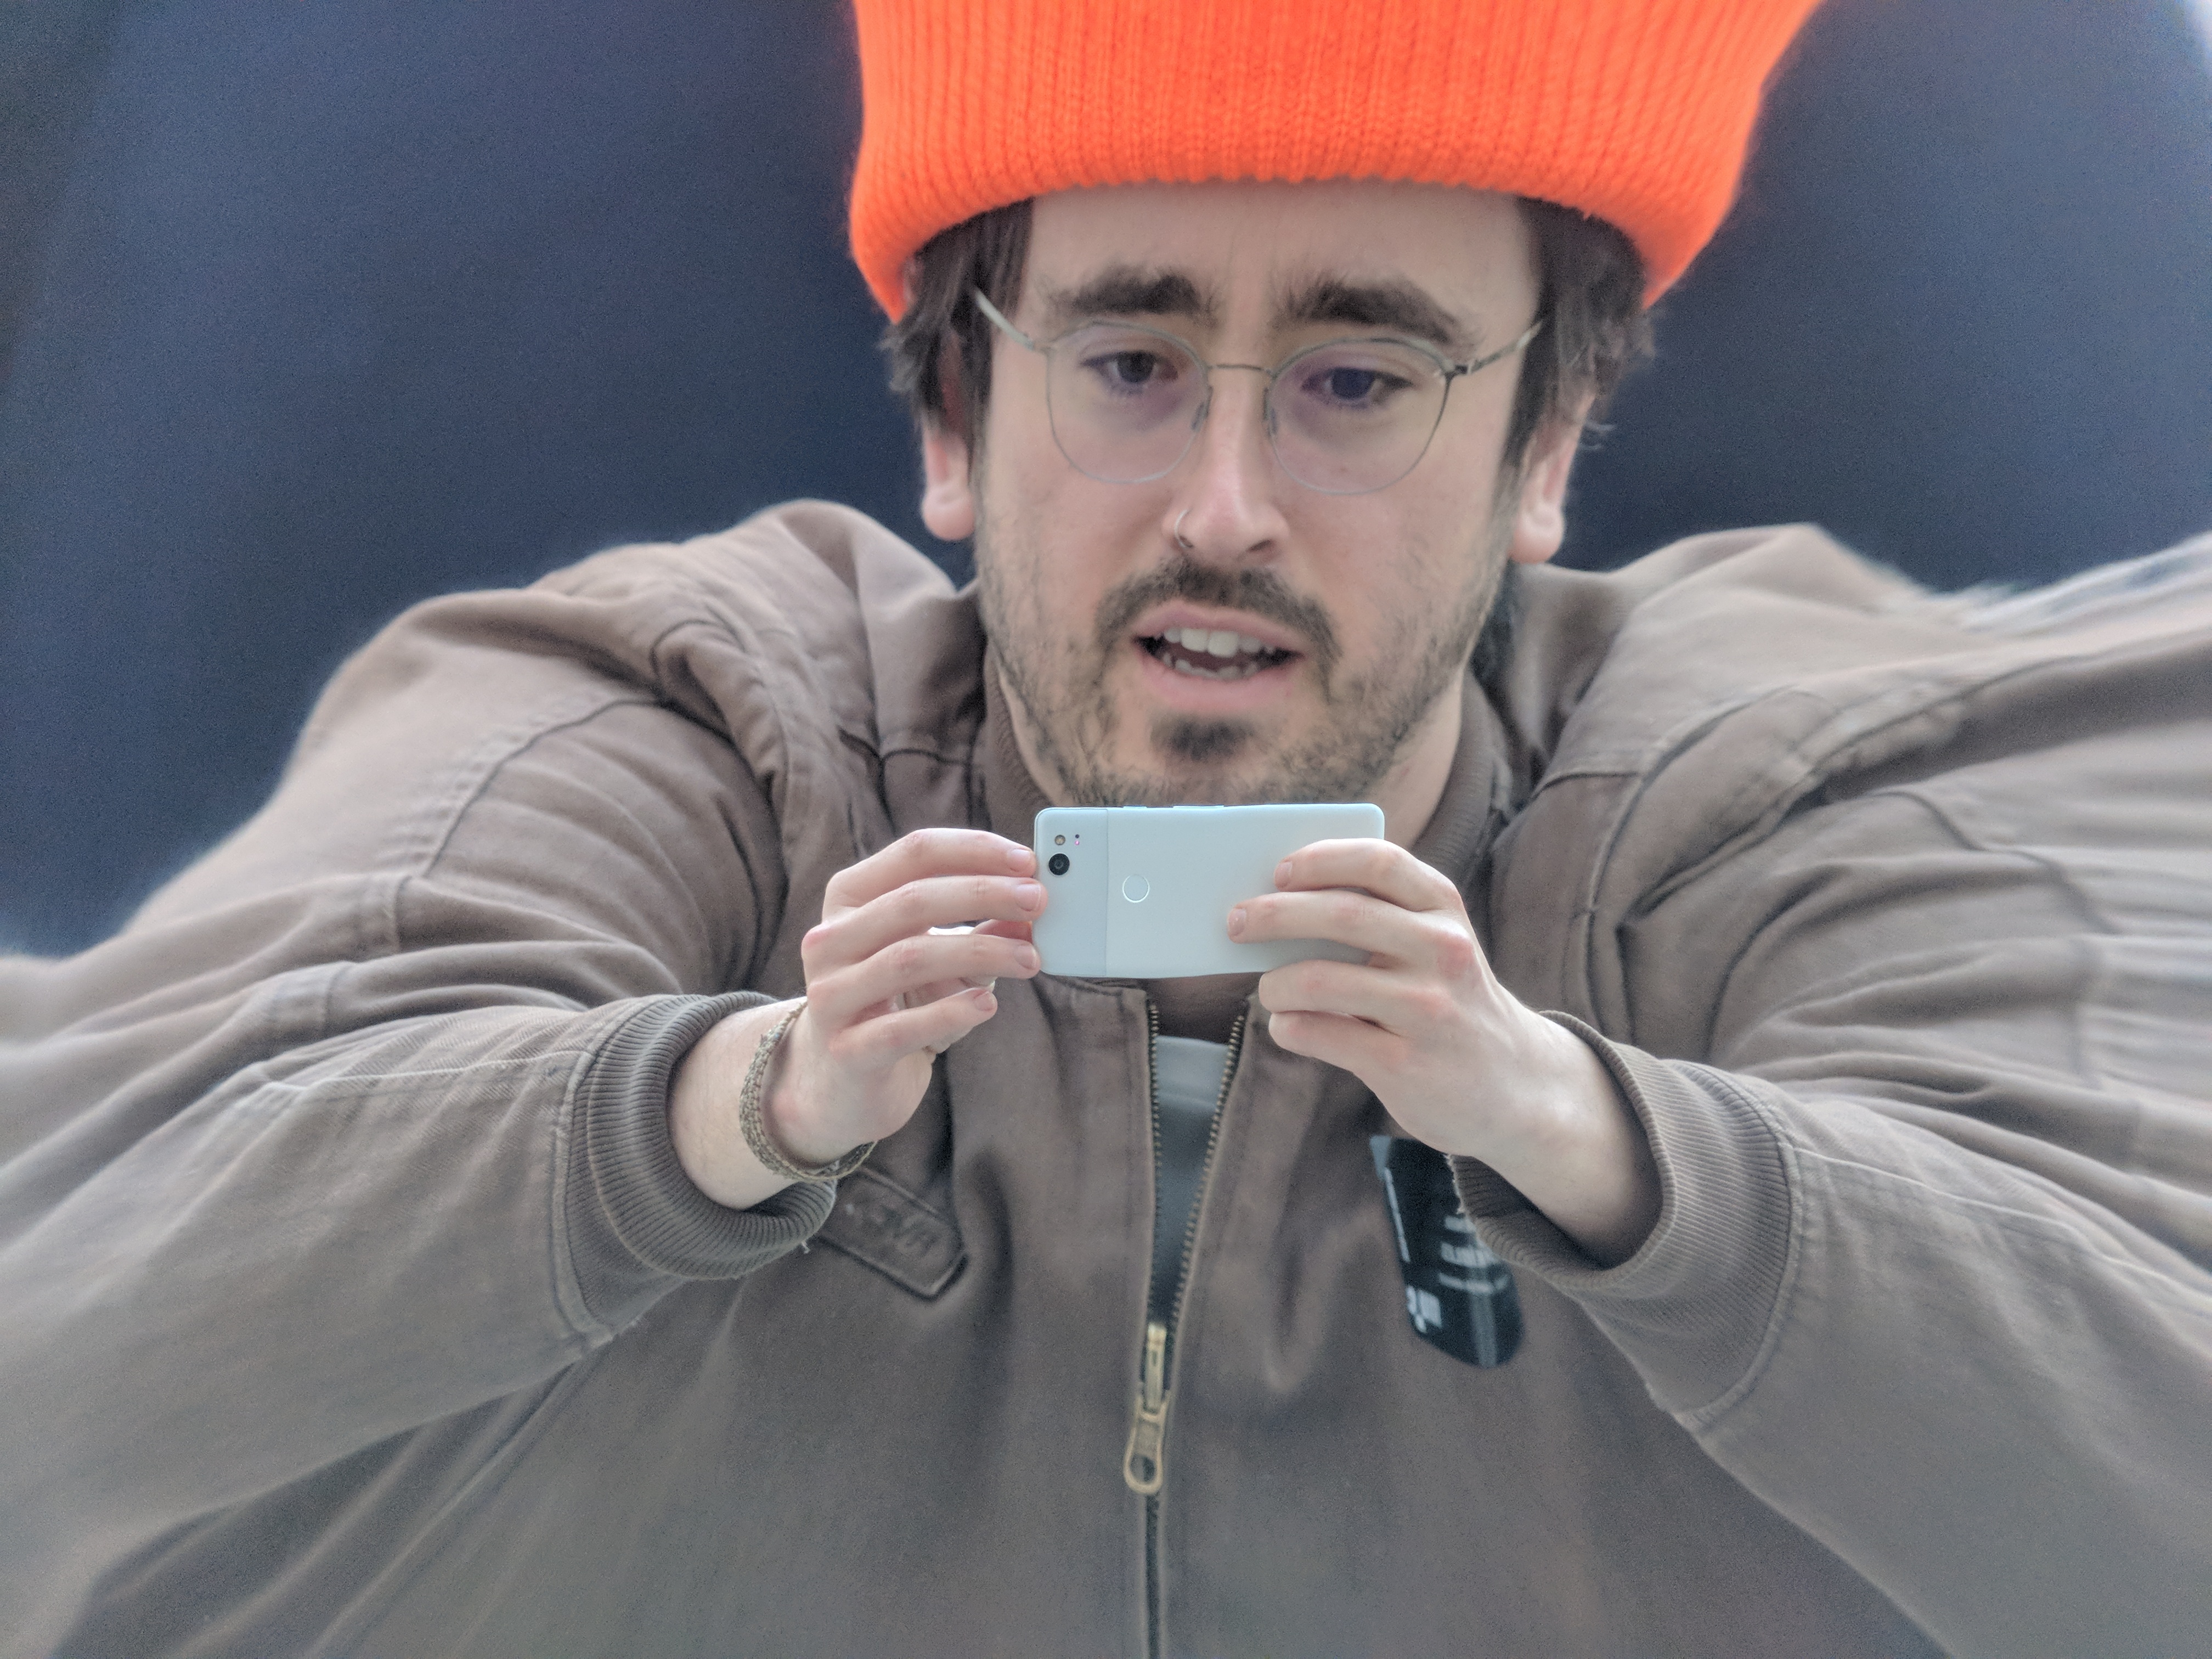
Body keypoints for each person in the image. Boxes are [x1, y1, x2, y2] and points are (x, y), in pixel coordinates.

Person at [3, 1, 2208, 1654]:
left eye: (1358, 381)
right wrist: (721, 1112)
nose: (1223, 509)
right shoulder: (676, 712)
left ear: (1545, 452)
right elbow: (64, 1309)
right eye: (1131, 363)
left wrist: (1607, 1149)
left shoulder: (1807, 778)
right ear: (959, 416)